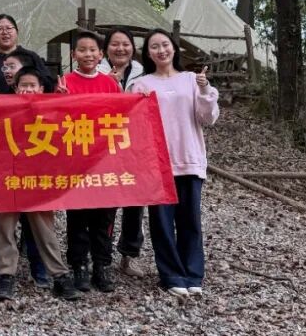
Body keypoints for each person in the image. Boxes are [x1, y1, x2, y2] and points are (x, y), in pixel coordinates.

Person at [133, 29, 219, 298]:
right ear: (148, 53)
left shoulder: (191, 80)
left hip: (189, 158)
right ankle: (171, 275)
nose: (161, 50)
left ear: (174, 48)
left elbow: (208, 118)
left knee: (190, 220)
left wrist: (204, 89)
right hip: (157, 164)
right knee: (161, 222)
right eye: (154, 47)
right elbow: (134, 125)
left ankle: (193, 274)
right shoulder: (141, 84)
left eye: (165, 45)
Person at [0, 67, 81, 302]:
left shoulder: (51, 109)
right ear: (15, 88)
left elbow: (68, 131)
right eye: (24, 85)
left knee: (45, 228)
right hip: (9, 178)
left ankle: (59, 275)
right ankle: (5, 276)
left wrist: (63, 102)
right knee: (5, 228)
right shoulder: (4, 108)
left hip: (38, 179)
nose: (28, 89)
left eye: (33, 85)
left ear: (42, 88)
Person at [59, 30, 122, 294]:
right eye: (82, 50)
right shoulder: (65, 82)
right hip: (76, 162)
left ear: (101, 54)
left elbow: (122, 117)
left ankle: (102, 265)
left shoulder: (109, 84)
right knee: (77, 216)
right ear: (73, 54)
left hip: (104, 160)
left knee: (104, 217)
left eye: (93, 50)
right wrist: (58, 99)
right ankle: (79, 265)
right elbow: (54, 122)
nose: (88, 54)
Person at [99, 28, 147, 278]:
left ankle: (129, 255)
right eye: (115, 44)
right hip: (104, 146)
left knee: (135, 203)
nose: (120, 49)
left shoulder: (143, 73)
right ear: (106, 49)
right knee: (106, 203)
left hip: (135, 146)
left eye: (125, 44)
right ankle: (102, 256)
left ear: (133, 47)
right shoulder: (96, 71)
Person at [0, 14, 54, 93]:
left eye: (9, 28)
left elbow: (48, 84)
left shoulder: (30, 56)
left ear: (17, 32)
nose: (5, 32)